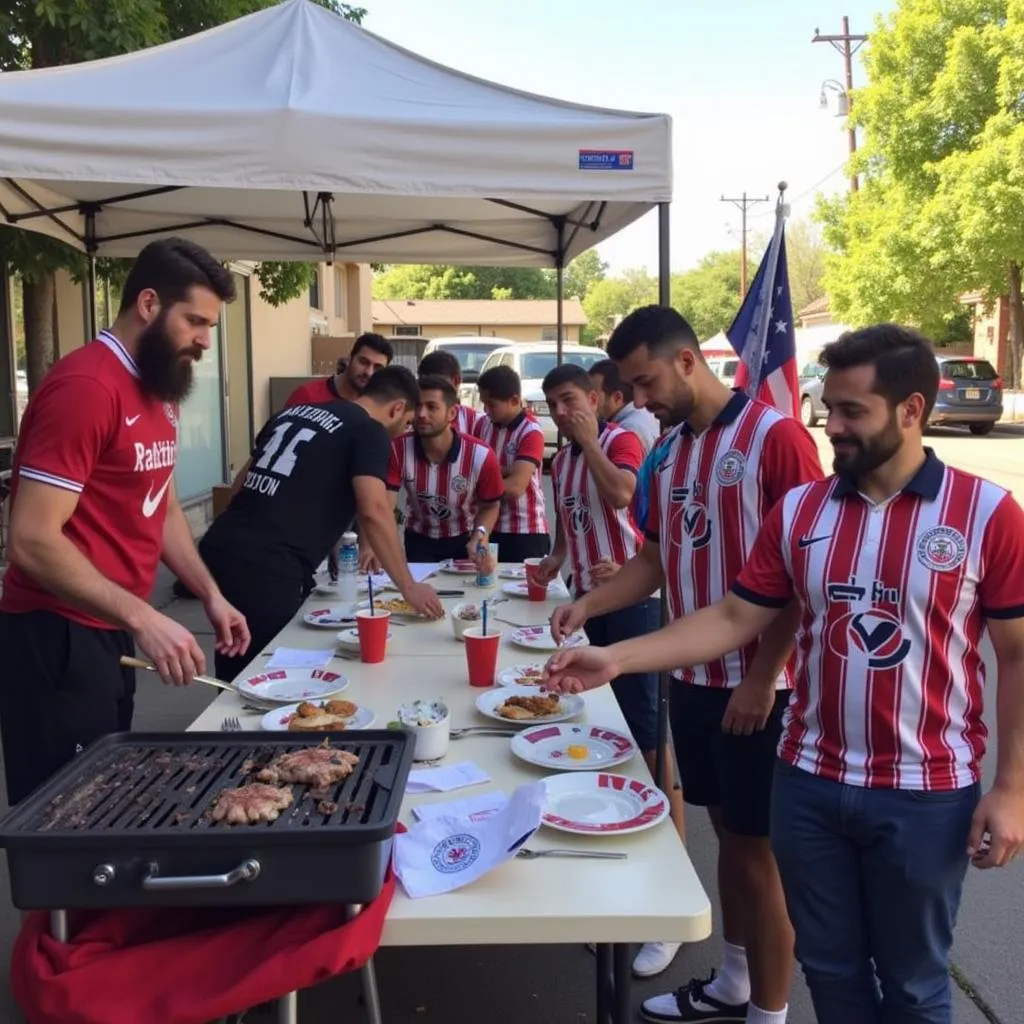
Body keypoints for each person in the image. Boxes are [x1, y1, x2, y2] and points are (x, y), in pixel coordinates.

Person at [545, 323, 1024, 1024]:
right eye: (829, 408)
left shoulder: (987, 513)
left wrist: (1011, 788)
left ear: (912, 410)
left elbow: (1015, 654)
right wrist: (615, 655)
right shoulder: (803, 511)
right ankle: (746, 987)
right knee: (831, 972)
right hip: (811, 782)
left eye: (851, 411)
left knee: (915, 985)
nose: (831, 426)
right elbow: (737, 614)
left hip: (924, 791)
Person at [550, 306, 824, 1016]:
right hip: (695, 678)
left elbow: (803, 570)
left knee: (761, 856)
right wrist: (589, 603)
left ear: (686, 361)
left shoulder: (776, 437)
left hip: (765, 687)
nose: (640, 401)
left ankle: (770, 1011)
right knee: (729, 838)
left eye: (645, 383)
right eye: (631, 389)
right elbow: (654, 559)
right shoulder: (670, 454)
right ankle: (733, 978)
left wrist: (764, 677)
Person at [0, 237, 251, 805]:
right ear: (147, 305)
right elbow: (32, 538)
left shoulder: (158, 391)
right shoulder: (86, 388)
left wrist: (208, 592)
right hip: (57, 635)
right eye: (195, 322)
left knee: (106, 801)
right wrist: (143, 616)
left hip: (109, 627)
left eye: (210, 326)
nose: (205, 342)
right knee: (64, 815)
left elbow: (156, 503)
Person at [199, 366, 444, 681]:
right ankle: (244, 728)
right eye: (407, 422)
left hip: (223, 544)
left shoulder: (296, 412)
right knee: (266, 671)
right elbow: (374, 509)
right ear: (396, 409)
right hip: (268, 563)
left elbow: (243, 481)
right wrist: (408, 586)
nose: (403, 431)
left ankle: (225, 727)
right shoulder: (369, 431)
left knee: (235, 659)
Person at [360, 375, 505, 569]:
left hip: (463, 540)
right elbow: (384, 505)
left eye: (431, 407)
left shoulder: (481, 455)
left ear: (452, 413)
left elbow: (491, 505)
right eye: (417, 405)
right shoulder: (397, 449)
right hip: (418, 541)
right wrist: (374, 545)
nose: (421, 413)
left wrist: (480, 534)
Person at [472, 365, 550, 563]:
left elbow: (516, 487)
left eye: (491, 404)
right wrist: (503, 472)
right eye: (483, 404)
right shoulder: (482, 426)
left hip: (525, 532)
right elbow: (471, 471)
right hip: (488, 528)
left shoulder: (530, 431)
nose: (486, 410)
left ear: (514, 401)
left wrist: (482, 484)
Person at [284, 332, 393, 407]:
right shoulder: (307, 396)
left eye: (377, 368)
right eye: (363, 362)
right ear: (350, 358)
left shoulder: (381, 407)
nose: (368, 372)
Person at [590, 357, 660, 452]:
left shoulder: (629, 429)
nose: (589, 402)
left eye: (594, 397)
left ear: (617, 398)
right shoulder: (641, 413)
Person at [417, 349, 483, 434]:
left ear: (456, 380)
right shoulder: (413, 420)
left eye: (437, 383)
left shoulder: (477, 423)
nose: (422, 414)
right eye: (424, 383)